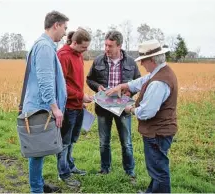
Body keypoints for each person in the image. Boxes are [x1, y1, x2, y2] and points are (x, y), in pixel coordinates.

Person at [106, 39, 178, 193]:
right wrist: (122, 86)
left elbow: (146, 112)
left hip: (157, 132)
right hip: (160, 131)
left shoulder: (158, 82)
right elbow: (139, 82)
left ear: (152, 60)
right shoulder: (159, 72)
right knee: (156, 167)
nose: (141, 64)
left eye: (143, 61)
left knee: (159, 170)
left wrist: (129, 108)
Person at [21, 11, 69, 193]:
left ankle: (39, 185)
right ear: (56, 25)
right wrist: (55, 108)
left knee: (38, 151)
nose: (65, 33)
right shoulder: (44, 47)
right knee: (37, 152)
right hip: (39, 109)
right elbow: (45, 80)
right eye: (64, 28)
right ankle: (36, 190)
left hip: (40, 107)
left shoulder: (44, 45)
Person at [86, 30, 141, 178]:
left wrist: (130, 92)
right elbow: (89, 79)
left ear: (119, 46)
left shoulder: (130, 62)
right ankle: (105, 170)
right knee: (104, 142)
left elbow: (138, 81)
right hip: (103, 107)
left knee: (127, 142)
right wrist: (98, 87)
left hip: (123, 107)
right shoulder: (98, 60)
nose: (106, 49)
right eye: (105, 45)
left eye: (110, 46)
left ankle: (129, 172)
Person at [57, 28, 93, 187]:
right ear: (74, 42)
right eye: (83, 47)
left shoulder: (79, 56)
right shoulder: (63, 56)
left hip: (78, 106)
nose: (86, 50)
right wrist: (79, 96)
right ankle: (63, 173)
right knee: (64, 142)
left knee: (72, 140)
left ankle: (70, 166)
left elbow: (75, 82)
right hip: (68, 107)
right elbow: (61, 84)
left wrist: (82, 99)